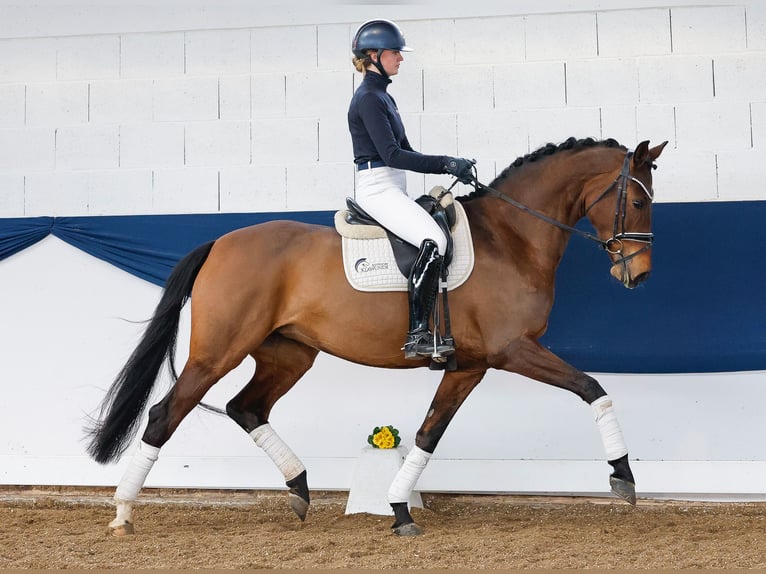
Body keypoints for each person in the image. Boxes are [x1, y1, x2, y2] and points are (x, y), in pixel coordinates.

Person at [348, 18, 475, 361]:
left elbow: (409, 153)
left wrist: (452, 165)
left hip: (391, 186)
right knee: (433, 241)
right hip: (377, 188)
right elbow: (393, 155)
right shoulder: (369, 99)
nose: (400, 58)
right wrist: (447, 163)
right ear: (372, 55)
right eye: (394, 53)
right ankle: (418, 334)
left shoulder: (383, 98)